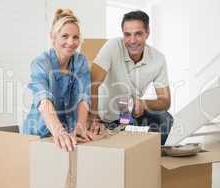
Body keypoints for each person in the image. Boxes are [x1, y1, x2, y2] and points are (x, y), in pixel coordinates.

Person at [88, 10, 173, 145]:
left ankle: (150, 155)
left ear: (147, 33)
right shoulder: (113, 46)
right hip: (105, 119)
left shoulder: (158, 59)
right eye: (127, 34)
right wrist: (93, 117)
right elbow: (93, 83)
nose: (132, 41)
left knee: (165, 118)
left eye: (138, 34)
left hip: (129, 117)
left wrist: (143, 104)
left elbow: (165, 101)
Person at [23, 9, 91, 151]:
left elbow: (83, 98)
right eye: (65, 36)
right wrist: (58, 130)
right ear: (53, 37)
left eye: (75, 37)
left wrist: (80, 127)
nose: (71, 42)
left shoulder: (81, 62)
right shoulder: (41, 63)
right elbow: (43, 100)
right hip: (40, 132)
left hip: (69, 131)